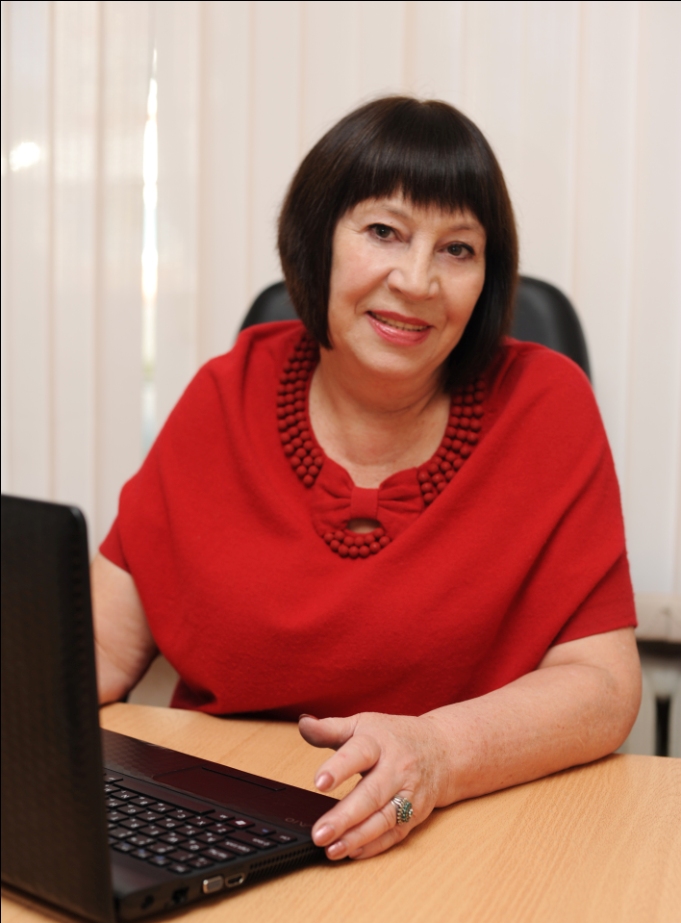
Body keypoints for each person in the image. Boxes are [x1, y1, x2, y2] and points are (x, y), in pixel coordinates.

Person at [93, 97, 640, 863]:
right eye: (384, 232)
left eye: (457, 249)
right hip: (221, 831)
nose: (416, 280)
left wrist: (440, 751)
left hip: (467, 838)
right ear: (316, 238)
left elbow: (604, 688)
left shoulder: (545, 404)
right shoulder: (226, 393)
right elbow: (96, 648)